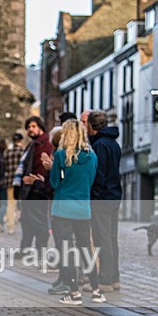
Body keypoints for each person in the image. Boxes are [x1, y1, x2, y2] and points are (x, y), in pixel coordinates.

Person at [49, 120, 105, 305]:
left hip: (62, 209)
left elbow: (54, 182)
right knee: (85, 249)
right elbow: (91, 181)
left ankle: (74, 292)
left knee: (66, 250)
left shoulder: (60, 155)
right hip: (83, 209)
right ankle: (96, 291)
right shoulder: (92, 156)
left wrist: (53, 169)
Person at [86, 111, 122, 292]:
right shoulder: (114, 143)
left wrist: (94, 195)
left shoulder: (99, 145)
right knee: (111, 238)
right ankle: (114, 278)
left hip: (102, 198)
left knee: (102, 238)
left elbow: (98, 174)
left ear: (90, 126)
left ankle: (105, 280)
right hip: (114, 196)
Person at [18, 116, 55, 259]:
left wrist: (37, 182)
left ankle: (41, 252)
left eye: (33, 126)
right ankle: (25, 249)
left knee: (39, 223)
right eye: (28, 127)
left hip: (38, 189)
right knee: (26, 222)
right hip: (30, 188)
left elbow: (44, 167)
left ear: (40, 127)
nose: (30, 129)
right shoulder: (33, 144)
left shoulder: (45, 144)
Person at [2, 133, 25, 234]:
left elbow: (4, 166)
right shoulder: (22, 152)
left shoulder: (7, 152)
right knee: (23, 204)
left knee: (10, 204)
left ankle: (10, 226)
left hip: (9, 180)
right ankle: (24, 224)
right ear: (21, 141)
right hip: (21, 181)